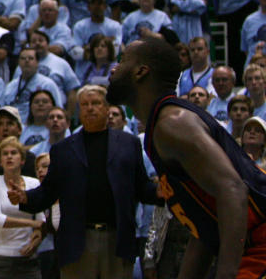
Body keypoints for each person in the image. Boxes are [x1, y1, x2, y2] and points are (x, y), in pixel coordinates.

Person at [107, 37, 266, 279]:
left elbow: (233, 190)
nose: (114, 68)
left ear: (140, 72)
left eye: (122, 60)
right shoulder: (163, 125)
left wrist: (227, 275)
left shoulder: (172, 124)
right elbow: (204, 229)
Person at [8, 85, 159, 278]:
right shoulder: (62, 150)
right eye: (84, 104)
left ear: (106, 108)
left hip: (117, 239)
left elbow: (141, 186)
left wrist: (157, 192)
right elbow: (48, 192)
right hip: (77, 241)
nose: (90, 108)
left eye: (95, 103)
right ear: (79, 110)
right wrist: (24, 197)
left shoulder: (129, 144)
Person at [0, 137, 44, 279]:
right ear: (0, 161)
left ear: (22, 160)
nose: (9, 156)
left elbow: (42, 220)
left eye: (14, 153)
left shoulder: (34, 184)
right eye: (5, 153)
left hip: (27, 259)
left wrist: (38, 236)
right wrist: (32, 223)